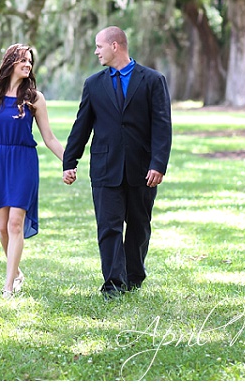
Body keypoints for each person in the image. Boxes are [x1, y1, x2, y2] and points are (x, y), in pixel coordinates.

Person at [62, 26, 172, 298]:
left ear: (115, 46)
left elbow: (162, 125)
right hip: (105, 168)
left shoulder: (152, 80)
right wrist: (69, 161)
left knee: (139, 226)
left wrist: (158, 164)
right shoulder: (93, 84)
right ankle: (113, 284)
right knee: (108, 227)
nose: (96, 51)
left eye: (99, 46)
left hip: (142, 169)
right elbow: (82, 126)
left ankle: (134, 277)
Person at [0, 44, 65, 299]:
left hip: (23, 162)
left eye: (30, 61)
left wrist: (68, 161)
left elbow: (50, 138)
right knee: (2, 226)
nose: (28, 65)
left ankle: (8, 287)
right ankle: (18, 273)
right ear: (11, 62)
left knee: (15, 223)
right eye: (23, 60)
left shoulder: (35, 98)